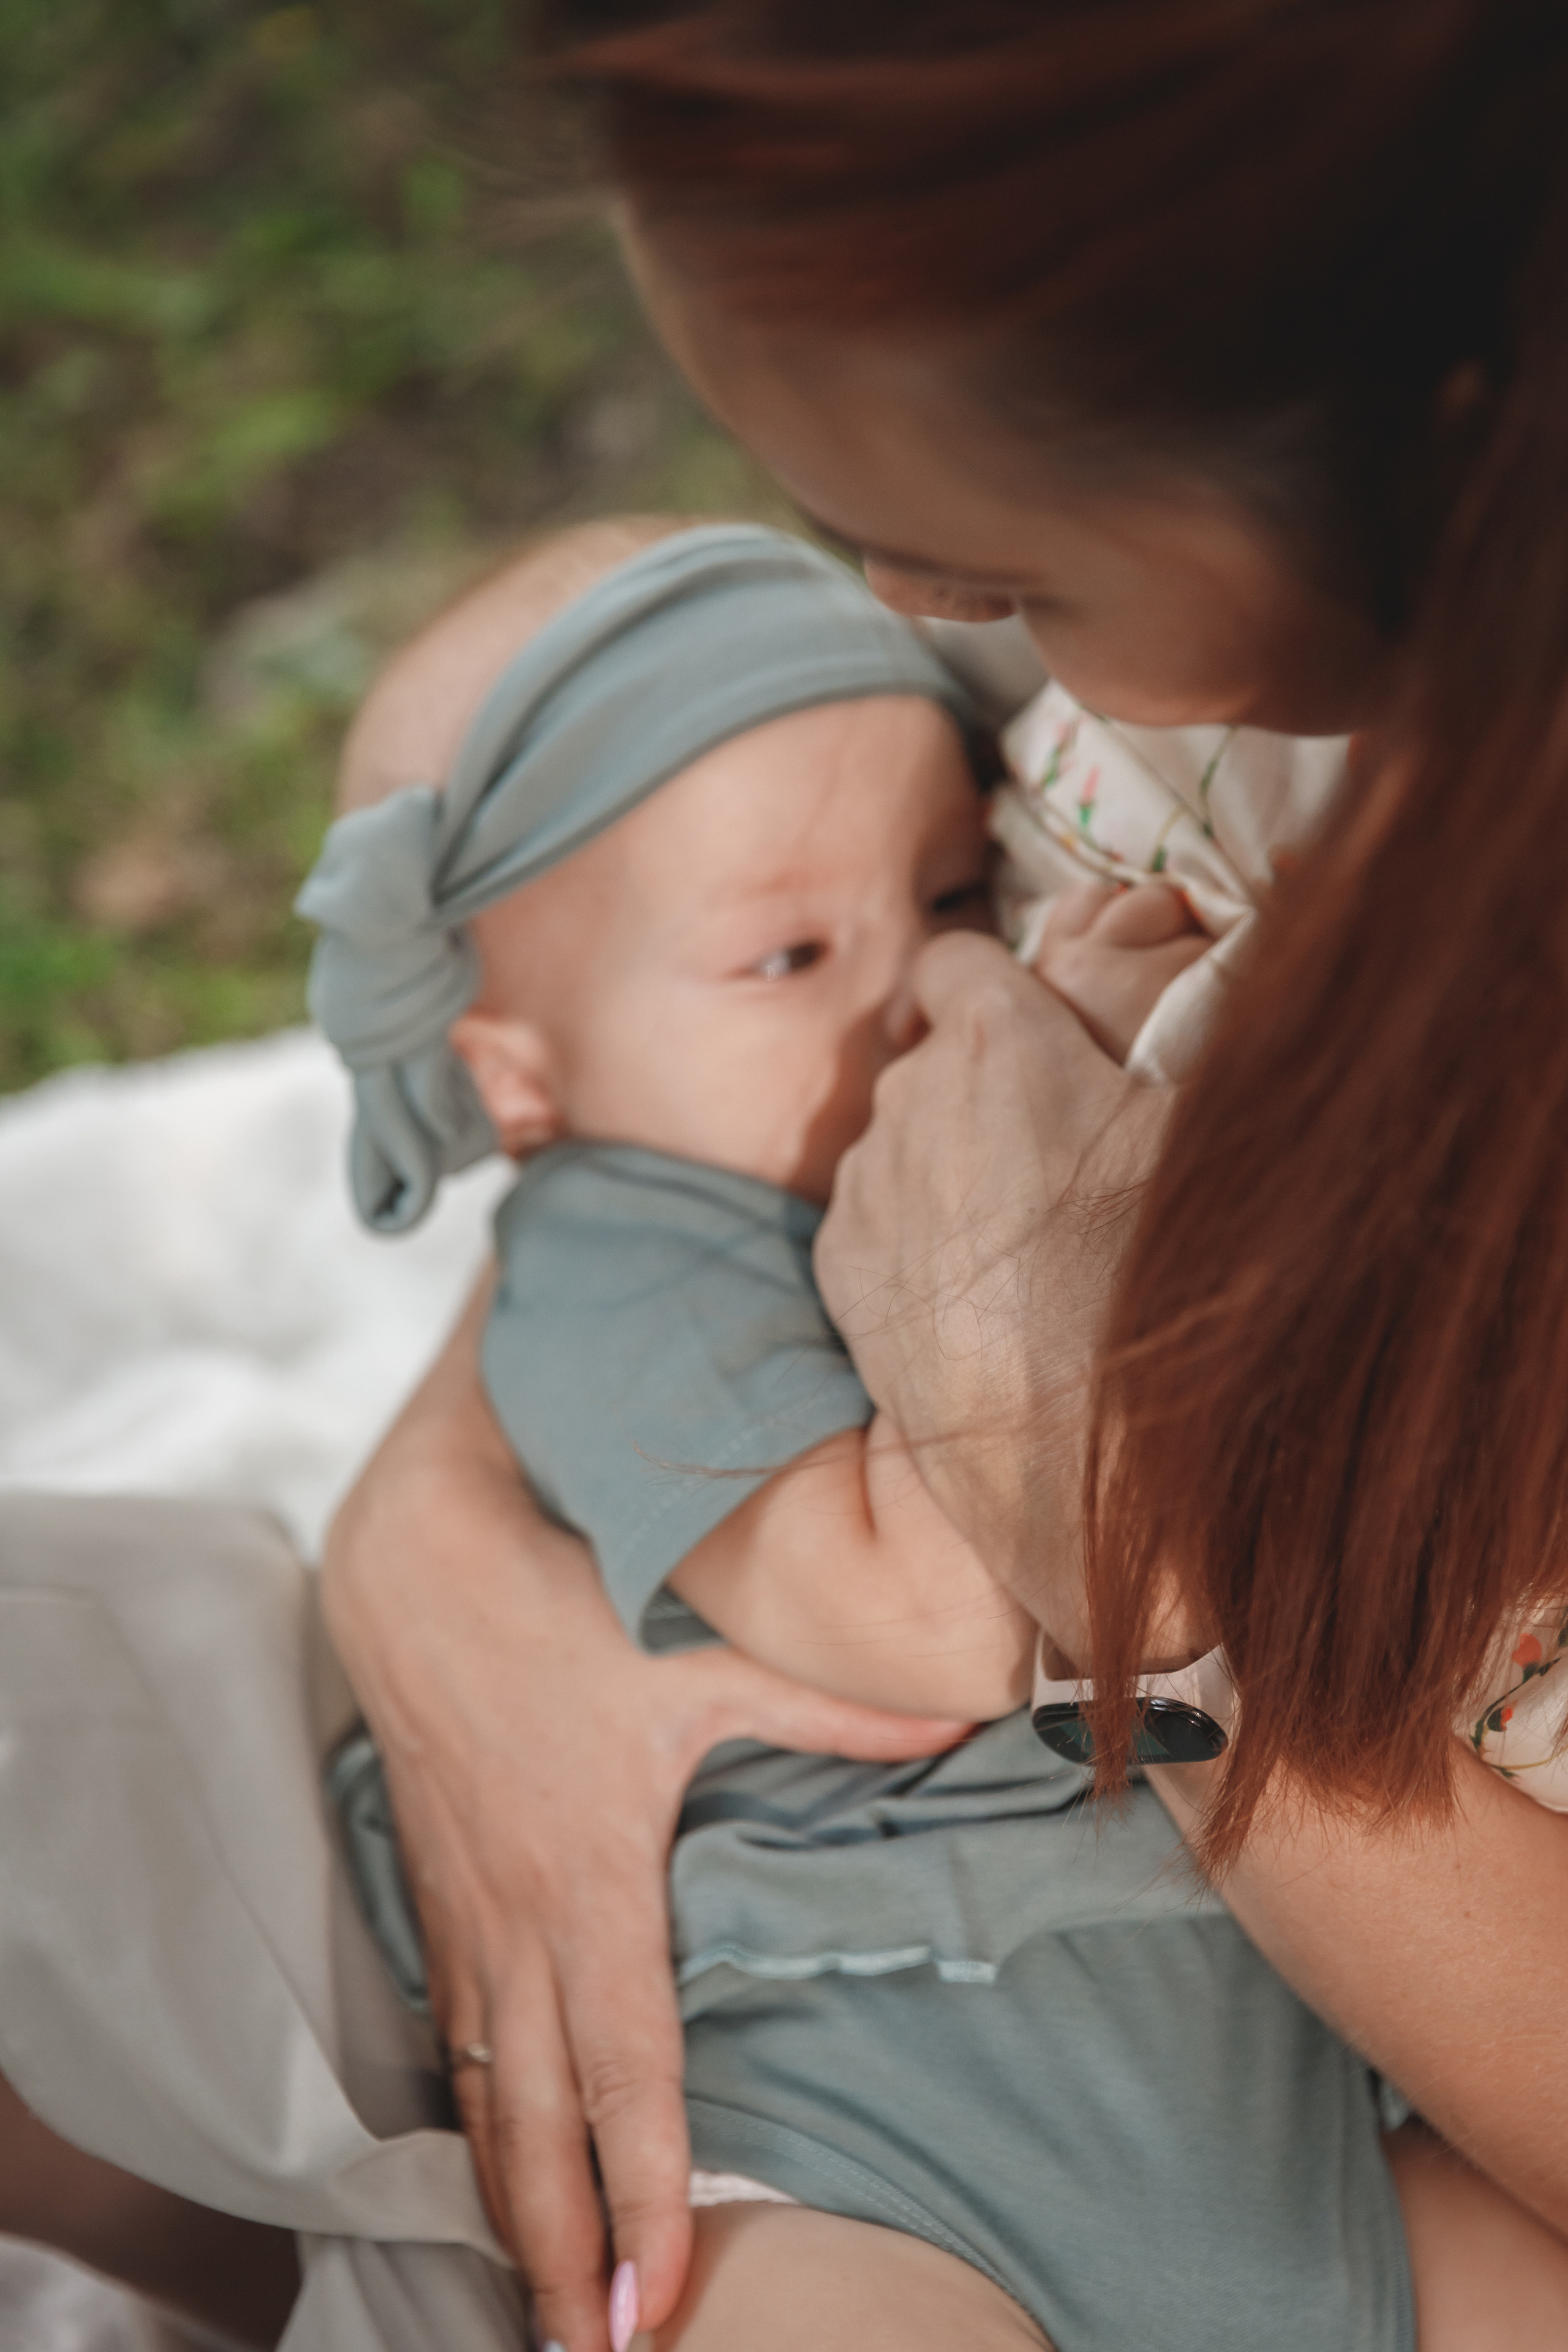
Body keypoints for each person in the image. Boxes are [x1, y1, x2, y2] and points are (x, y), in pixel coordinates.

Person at [308, 1, 1568, 2346]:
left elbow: (956, 1460)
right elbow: (687, 1167)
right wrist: (444, 1548)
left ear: (1458, 457)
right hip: (906, 2090)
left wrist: (1103, 1510)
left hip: (1350, 2071)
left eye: (1017, 575)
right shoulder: (1180, 712)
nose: (925, 621)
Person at [304, 513, 1414, 2352]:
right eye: (787, 955)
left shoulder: (894, 1129)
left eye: (955, 905)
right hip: (873, 2100)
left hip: (1276, 2075)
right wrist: (1083, 1184)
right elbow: (934, 1607)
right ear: (520, 1073)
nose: (924, 999)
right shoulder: (623, 1257)